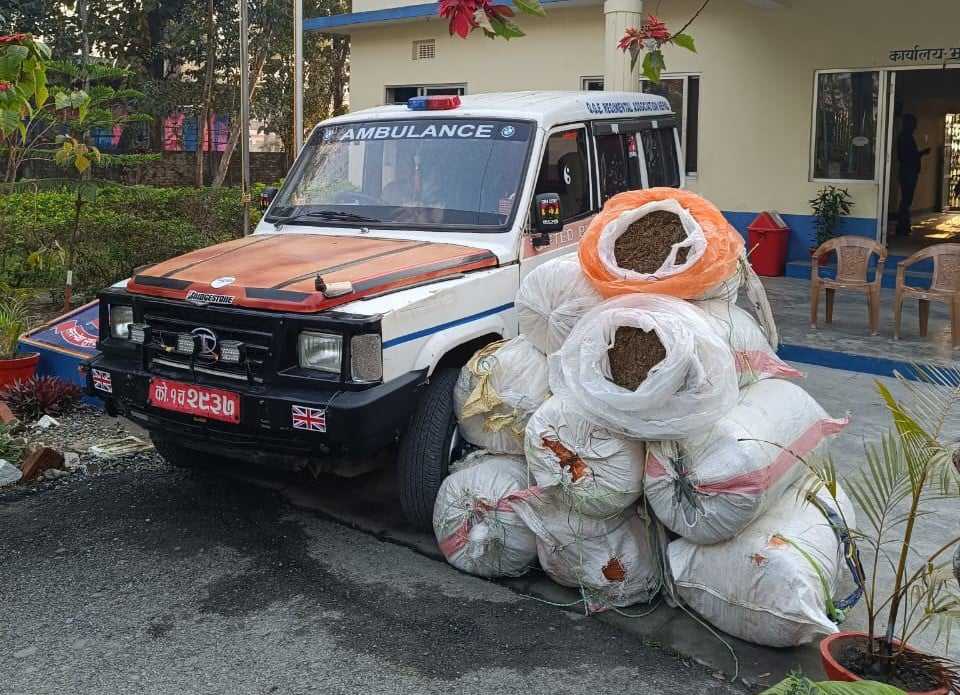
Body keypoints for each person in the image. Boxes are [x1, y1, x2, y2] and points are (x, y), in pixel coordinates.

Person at [896, 114, 930, 238]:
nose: (915, 127)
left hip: (908, 171)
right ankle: (902, 226)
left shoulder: (906, 137)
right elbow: (908, 156)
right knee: (906, 199)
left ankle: (904, 225)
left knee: (906, 199)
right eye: (913, 124)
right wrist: (922, 153)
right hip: (908, 172)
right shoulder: (905, 138)